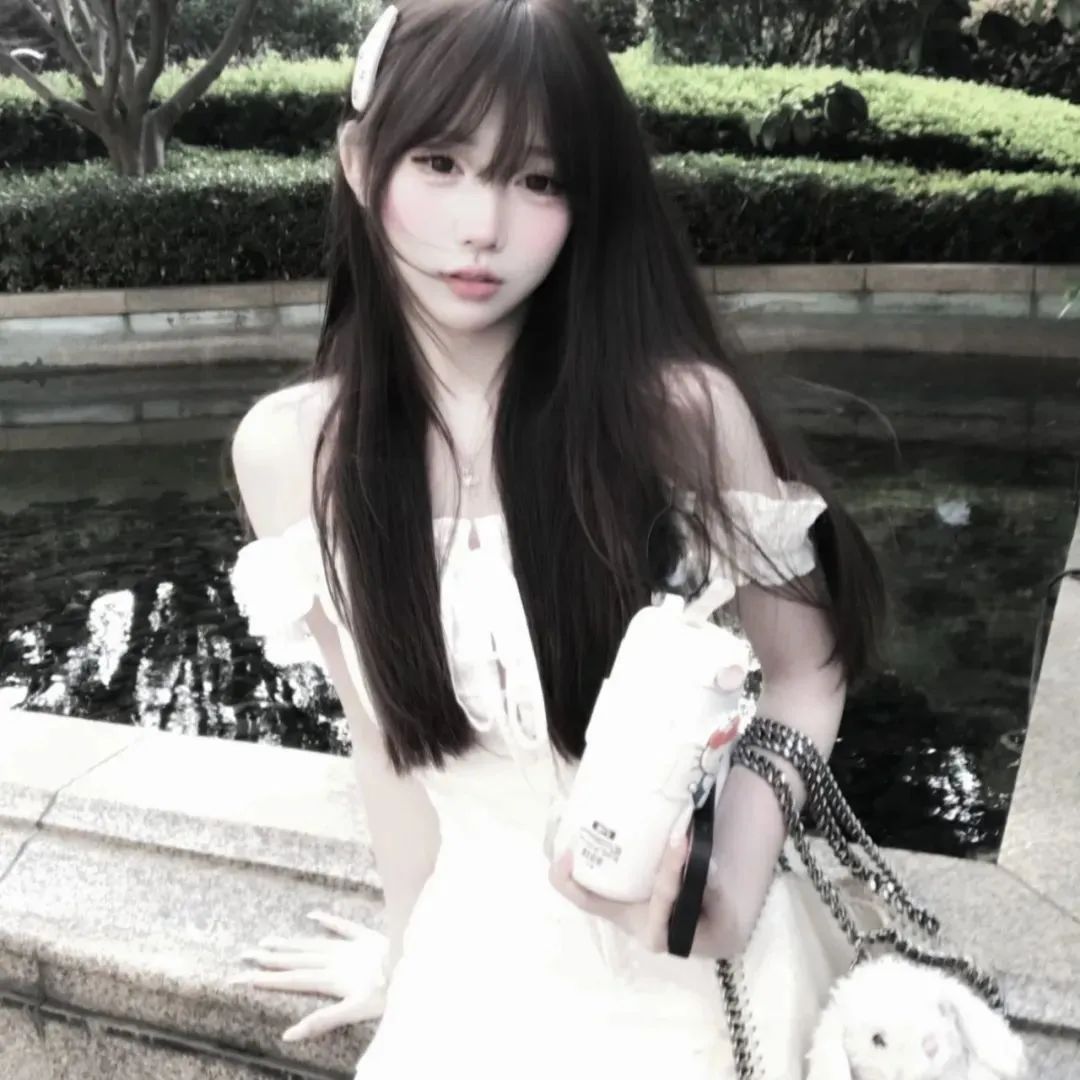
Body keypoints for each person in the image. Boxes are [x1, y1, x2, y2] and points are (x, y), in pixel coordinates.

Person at [226, 0, 886, 1075]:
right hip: (475, 983)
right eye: (440, 162)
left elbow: (805, 673)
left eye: (537, 179)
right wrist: (403, 958)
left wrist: (727, 882)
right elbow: (391, 749)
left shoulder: (675, 416)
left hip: (700, 991)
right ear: (357, 161)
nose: (481, 227)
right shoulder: (289, 452)